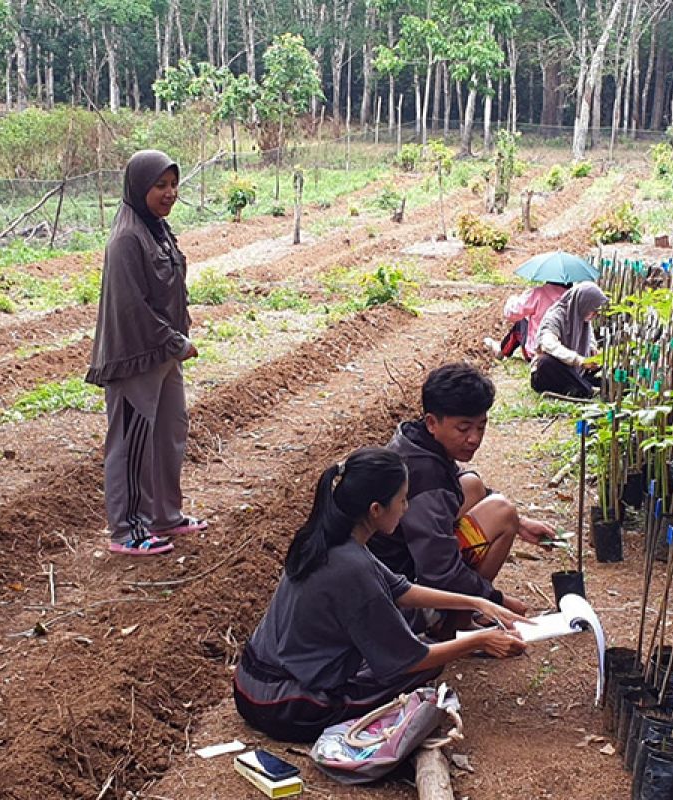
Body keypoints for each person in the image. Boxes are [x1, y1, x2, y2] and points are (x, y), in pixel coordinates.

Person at [234, 448, 527, 743]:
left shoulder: (330, 538)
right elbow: (411, 660)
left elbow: (401, 590)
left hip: (249, 684)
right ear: (376, 509)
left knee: (402, 639)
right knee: (426, 664)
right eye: (402, 500)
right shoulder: (352, 567)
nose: (406, 508)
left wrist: (478, 602)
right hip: (286, 706)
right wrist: (479, 641)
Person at [86, 150, 206, 556]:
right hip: (136, 355)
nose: (169, 193)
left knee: (169, 432)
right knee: (132, 441)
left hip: (164, 352)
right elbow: (131, 308)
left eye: (173, 185)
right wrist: (176, 341)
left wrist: (176, 339)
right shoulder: (126, 239)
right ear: (139, 187)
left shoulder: (155, 227)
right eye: (160, 186)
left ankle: (164, 516)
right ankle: (127, 529)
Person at [368, 364, 555, 623]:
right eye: (463, 428)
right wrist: (494, 600)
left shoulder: (414, 440)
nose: (474, 438)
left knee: (473, 485)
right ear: (433, 422)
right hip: (399, 594)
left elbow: (460, 486)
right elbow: (439, 572)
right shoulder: (426, 477)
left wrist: (522, 524)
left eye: (481, 426)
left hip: (400, 560)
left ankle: (463, 609)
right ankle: (455, 620)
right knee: (503, 513)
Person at [530, 281, 608, 399]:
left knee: (604, 378)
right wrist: (579, 360)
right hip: (552, 374)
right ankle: (587, 389)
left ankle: (582, 387)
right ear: (584, 304)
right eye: (594, 310)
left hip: (575, 372)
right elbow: (548, 344)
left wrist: (592, 350)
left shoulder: (583, 318)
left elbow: (590, 338)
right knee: (545, 362)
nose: (595, 314)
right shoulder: (555, 316)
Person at [486, 281, 570, 360]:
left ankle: (502, 351)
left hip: (536, 353)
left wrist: (512, 300)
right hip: (565, 353)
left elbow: (511, 313)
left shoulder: (539, 293)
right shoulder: (574, 298)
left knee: (521, 322)